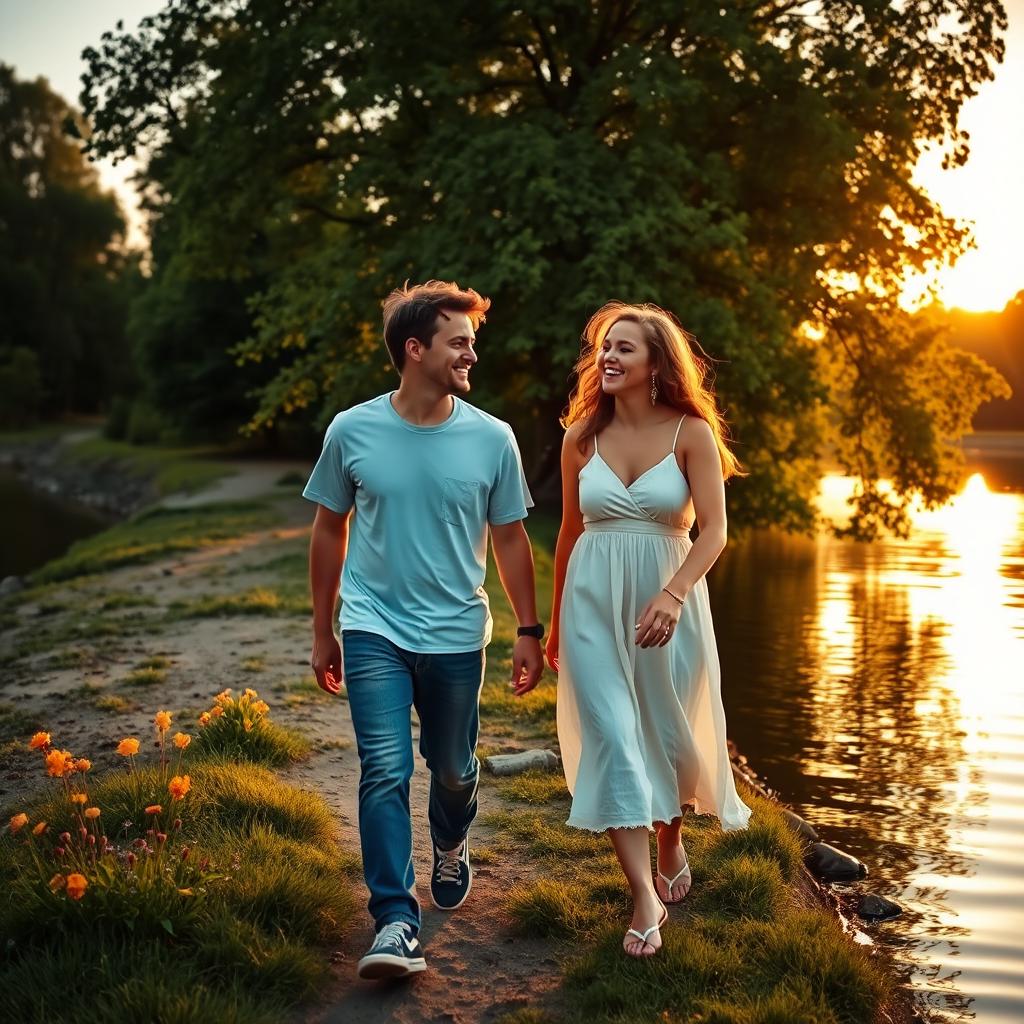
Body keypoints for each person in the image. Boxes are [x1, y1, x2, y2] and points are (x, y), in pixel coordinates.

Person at [303, 280, 544, 981]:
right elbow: (328, 530)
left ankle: (450, 841)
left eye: (473, 341)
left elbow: (509, 539)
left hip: (456, 634)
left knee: (452, 769)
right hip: (373, 625)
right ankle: (395, 923)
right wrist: (325, 629)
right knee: (384, 767)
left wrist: (528, 629)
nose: (472, 353)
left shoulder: (491, 438)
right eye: (459, 341)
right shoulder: (352, 430)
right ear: (416, 349)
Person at [545, 301, 751, 959]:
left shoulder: (691, 432)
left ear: (656, 362)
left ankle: (670, 838)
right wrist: (551, 622)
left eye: (624, 349)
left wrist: (674, 593)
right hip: (591, 603)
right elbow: (570, 534)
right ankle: (643, 895)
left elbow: (714, 530)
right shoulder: (580, 437)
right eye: (605, 348)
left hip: (669, 602)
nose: (608, 358)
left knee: (667, 738)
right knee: (611, 737)